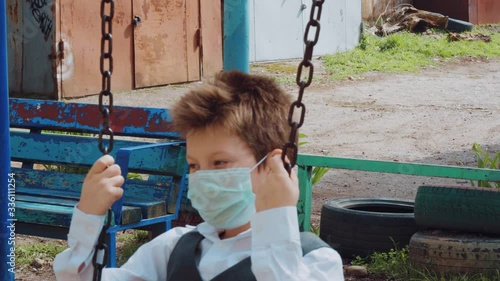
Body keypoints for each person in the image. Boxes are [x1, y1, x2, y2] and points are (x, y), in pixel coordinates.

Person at [53, 70, 344, 280]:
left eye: (219, 163)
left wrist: (276, 217)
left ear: (276, 166)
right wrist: (88, 217)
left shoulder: (315, 260)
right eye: (194, 165)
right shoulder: (174, 249)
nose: (204, 179)